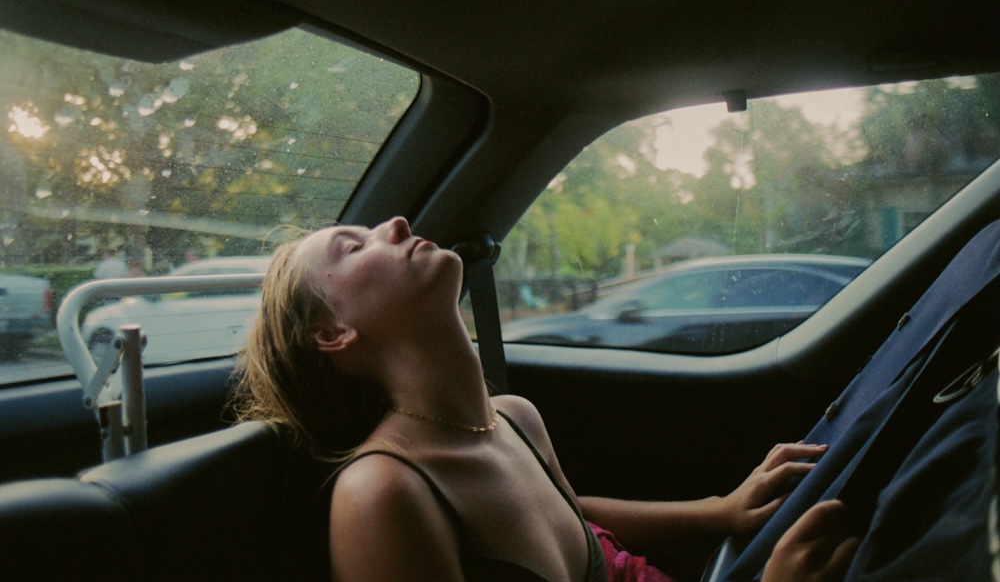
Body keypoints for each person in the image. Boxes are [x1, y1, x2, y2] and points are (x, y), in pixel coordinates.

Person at [233, 217, 859, 582]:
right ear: (332, 334)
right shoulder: (384, 493)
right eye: (355, 246)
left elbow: (565, 515)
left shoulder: (514, 418)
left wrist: (719, 511)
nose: (395, 225)